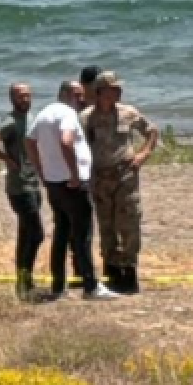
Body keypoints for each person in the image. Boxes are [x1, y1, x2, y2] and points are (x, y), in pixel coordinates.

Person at [25, 81, 119, 302]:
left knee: (62, 233)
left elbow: (30, 141)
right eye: (77, 95)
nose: (82, 99)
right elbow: (66, 142)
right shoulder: (67, 114)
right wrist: (75, 174)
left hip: (55, 182)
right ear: (65, 94)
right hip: (72, 184)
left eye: (82, 95)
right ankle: (91, 286)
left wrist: (42, 171)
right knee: (83, 234)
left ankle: (58, 285)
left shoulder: (45, 113)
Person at [80, 72, 160, 295]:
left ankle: (129, 270)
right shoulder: (86, 118)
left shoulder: (128, 113)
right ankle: (112, 271)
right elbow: (77, 147)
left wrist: (144, 155)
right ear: (99, 92)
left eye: (118, 89)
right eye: (112, 89)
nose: (117, 92)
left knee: (130, 221)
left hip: (125, 175)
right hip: (100, 178)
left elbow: (152, 131)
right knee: (106, 225)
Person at [0, 83, 44, 301]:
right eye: (21, 96)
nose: (25, 99)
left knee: (26, 234)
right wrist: (7, 159)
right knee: (37, 233)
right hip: (19, 187)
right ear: (12, 99)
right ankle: (24, 281)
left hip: (34, 183)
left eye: (28, 95)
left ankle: (24, 283)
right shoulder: (10, 122)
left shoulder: (32, 118)